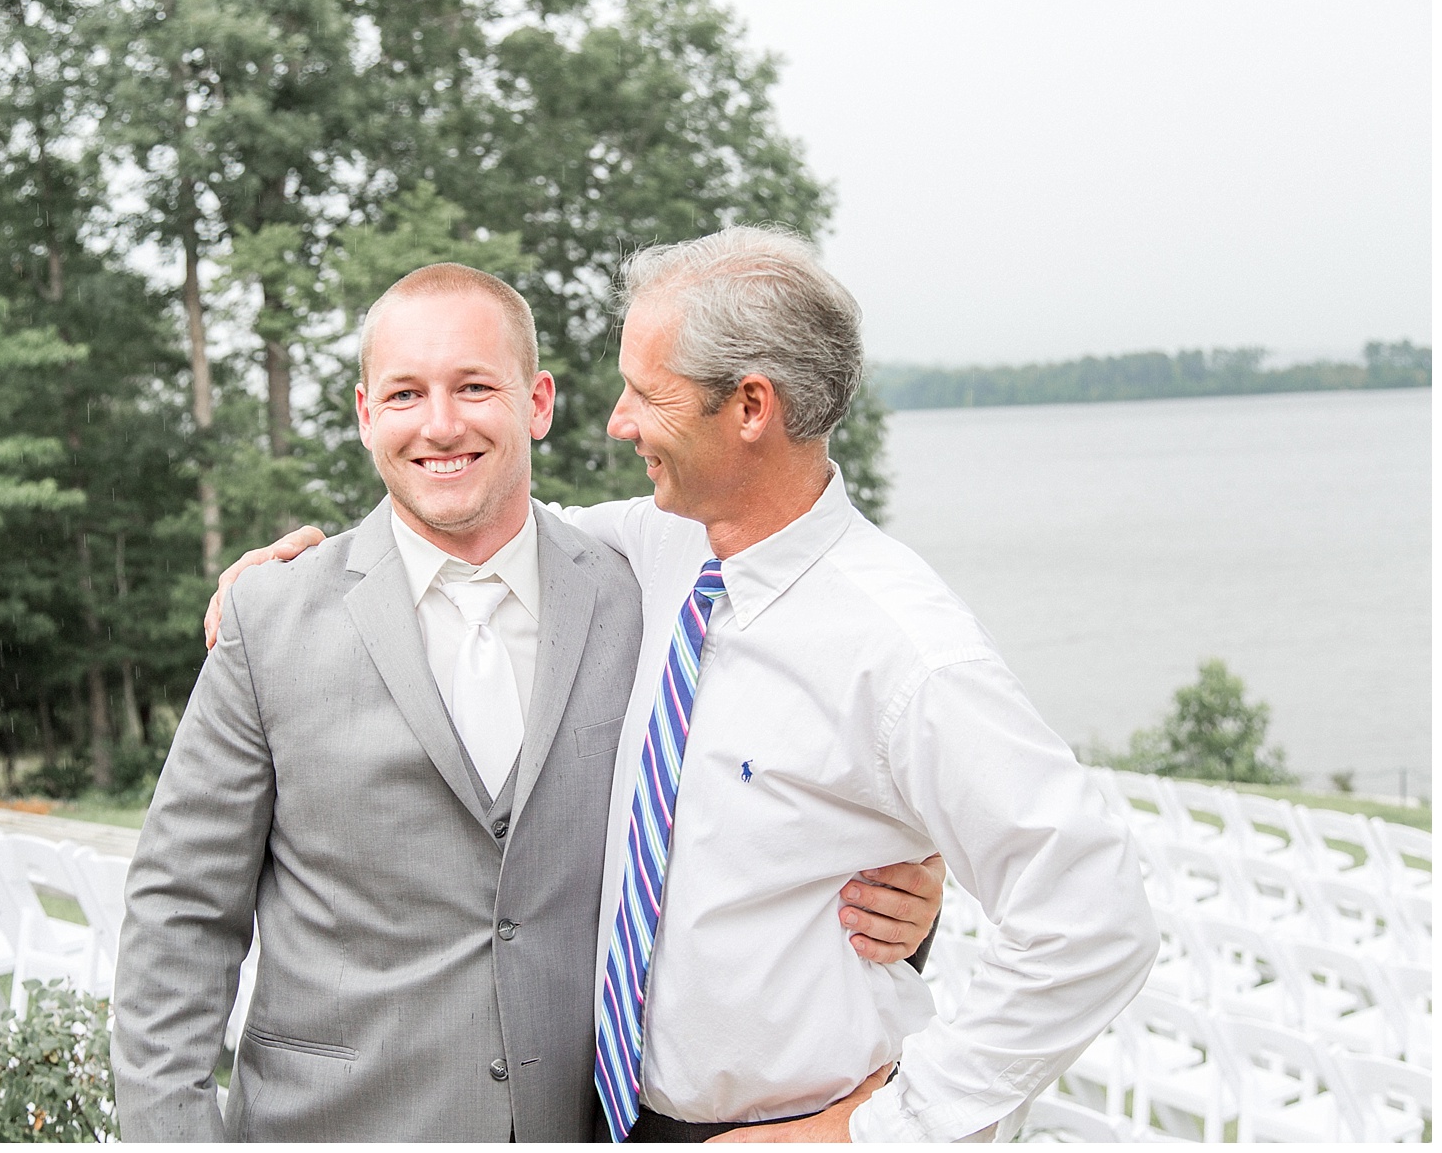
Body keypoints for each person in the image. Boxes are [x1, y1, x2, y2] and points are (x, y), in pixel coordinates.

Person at [210, 228, 1157, 1143]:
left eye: (644, 395)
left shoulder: (905, 648)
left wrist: (879, 1129)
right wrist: (305, 580)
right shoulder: (651, 548)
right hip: (611, 1122)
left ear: (750, 408)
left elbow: (1094, 917)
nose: (619, 422)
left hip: (790, 1128)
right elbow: (468, 529)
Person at [115, 263, 943, 1142]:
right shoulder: (272, 616)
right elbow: (179, 917)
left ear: (537, 402)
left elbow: (761, 792)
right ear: (365, 416)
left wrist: (907, 893)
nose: (440, 425)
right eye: (404, 394)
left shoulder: (639, 596)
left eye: (474, 386)